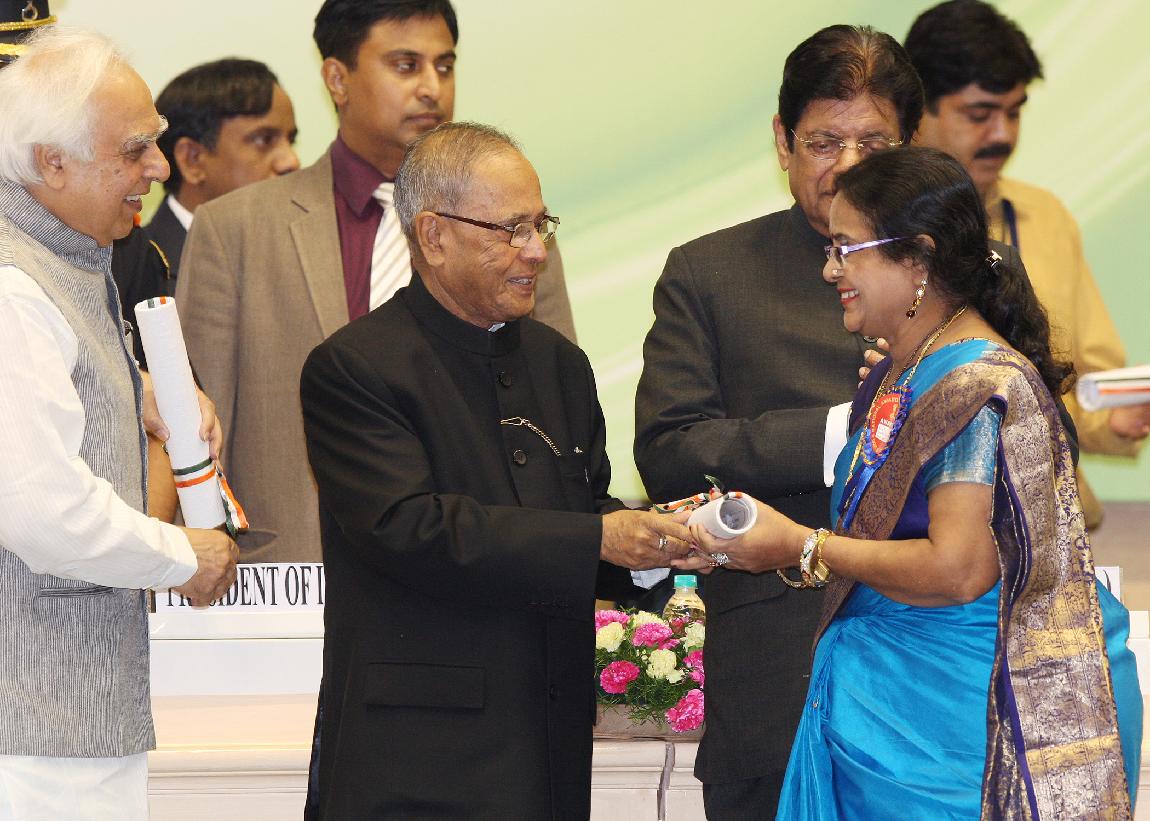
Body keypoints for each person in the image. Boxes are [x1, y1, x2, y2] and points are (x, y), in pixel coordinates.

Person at [685, 146, 1141, 819]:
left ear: (918, 258)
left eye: (847, 249)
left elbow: (959, 569)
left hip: (959, 725)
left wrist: (801, 546)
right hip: (902, 705)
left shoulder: (974, 384)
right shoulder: (911, 368)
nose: (830, 269)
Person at [300, 121, 693, 819]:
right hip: (416, 760)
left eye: (541, 225)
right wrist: (598, 539)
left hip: (547, 750)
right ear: (434, 235)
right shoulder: (355, 367)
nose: (537, 250)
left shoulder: (559, 364)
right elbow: (409, 528)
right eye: (512, 230)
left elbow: (579, 514)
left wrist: (655, 544)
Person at [633, 25, 930, 818]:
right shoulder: (711, 273)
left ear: (911, 145)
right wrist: (839, 433)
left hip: (938, 683)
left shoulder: (970, 271)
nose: (849, 166)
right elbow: (667, 450)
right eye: (824, 141)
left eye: (875, 142)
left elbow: (1036, 441)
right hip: (777, 683)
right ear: (782, 141)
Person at [177, 0, 577, 563]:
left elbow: (557, 402)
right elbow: (197, 427)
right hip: (298, 573)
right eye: (406, 65)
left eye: (445, 65)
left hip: (486, 566)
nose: (432, 88)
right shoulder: (235, 228)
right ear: (337, 78)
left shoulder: (516, 231)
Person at [0, 26, 238, 820]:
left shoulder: (54, 262)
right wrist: (185, 555)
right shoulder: (14, 286)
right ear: (51, 163)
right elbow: (42, 510)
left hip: (61, 725)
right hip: (32, 738)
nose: (160, 168)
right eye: (135, 149)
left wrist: (135, 388)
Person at [906, 0, 1150, 528]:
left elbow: (1088, 381)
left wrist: (1118, 416)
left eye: (1014, 112)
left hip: (1051, 528)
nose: (1003, 134)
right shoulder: (869, 230)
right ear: (917, 112)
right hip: (915, 530)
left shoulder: (1046, 217)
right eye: (979, 115)